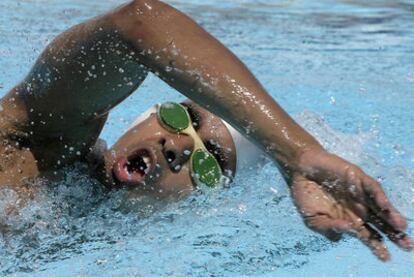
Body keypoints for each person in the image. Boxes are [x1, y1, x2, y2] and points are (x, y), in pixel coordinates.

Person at [0, 0, 411, 261]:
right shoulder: (43, 139)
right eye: (183, 120)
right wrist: (297, 153)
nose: (175, 146)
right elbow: (139, 24)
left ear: (200, 202)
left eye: (209, 161)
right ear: (147, 116)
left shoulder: (103, 245)